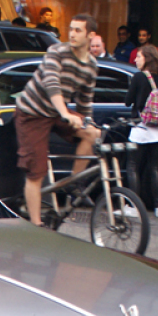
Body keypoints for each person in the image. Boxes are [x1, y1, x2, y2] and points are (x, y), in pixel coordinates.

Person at [14, 13, 101, 226]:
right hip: (32, 113)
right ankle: (37, 225)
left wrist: (86, 120)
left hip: (57, 113)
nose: (72, 34)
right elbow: (52, 85)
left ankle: (74, 184)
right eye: (71, 29)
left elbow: (84, 103)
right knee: (36, 172)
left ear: (91, 35)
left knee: (93, 133)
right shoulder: (57, 52)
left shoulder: (91, 66)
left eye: (78, 30)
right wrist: (65, 113)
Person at [127, 43, 158, 218]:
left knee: (132, 167)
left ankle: (133, 206)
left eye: (139, 56)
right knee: (154, 168)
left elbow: (128, 101)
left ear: (147, 59)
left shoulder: (138, 77)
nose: (136, 59)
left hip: (140, 129)